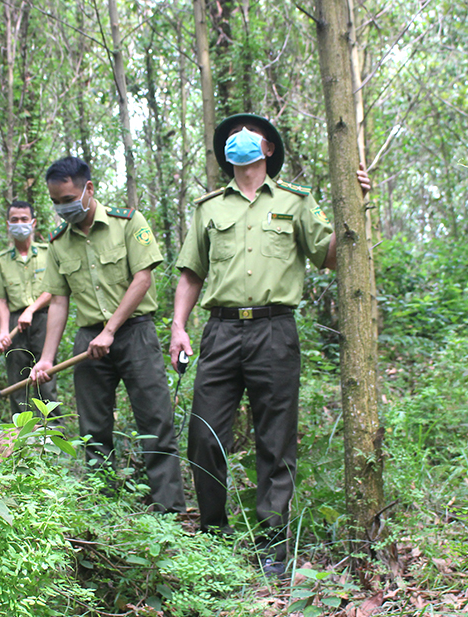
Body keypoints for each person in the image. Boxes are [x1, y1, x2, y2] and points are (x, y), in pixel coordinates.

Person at [168, 114, 370, 576]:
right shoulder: (208, 208)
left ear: (269, 149)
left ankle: (273, 544)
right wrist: (179, 327)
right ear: (226, 154)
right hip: (219, 332)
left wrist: (356, 203)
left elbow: (331, 255)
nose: (241, 138)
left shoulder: (297, 202)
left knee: (274, 439)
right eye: (233, 134)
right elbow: (191, 273)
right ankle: (213, 536)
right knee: (204, 436)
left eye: (251, 133)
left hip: (274, 331)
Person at [30, 156, 185, 513]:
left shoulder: (128, 223)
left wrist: (111, 330)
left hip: (135, 333)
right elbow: (58, 302)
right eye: (55, 202)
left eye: (67, 198)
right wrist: (47, 358)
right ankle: (105, 511)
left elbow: (143, 278)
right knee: (94, 429)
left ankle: (169, 512)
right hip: (89, 340)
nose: (62, 207)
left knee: (155, 421)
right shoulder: (58, 243)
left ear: (89, 189)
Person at [0, 200, 57, 418]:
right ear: (8, 225)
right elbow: (2, 300)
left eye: (24, 219)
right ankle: (20, 440)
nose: (19, 224)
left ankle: (52, 437)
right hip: (16, 325)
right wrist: (4, 331)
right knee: (17, 384)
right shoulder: (1, 261)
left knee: (45, 381)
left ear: (33, 223)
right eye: (14, 220)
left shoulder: (48, 253)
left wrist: (32, 310)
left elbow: (54, 289)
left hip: (44, 320)